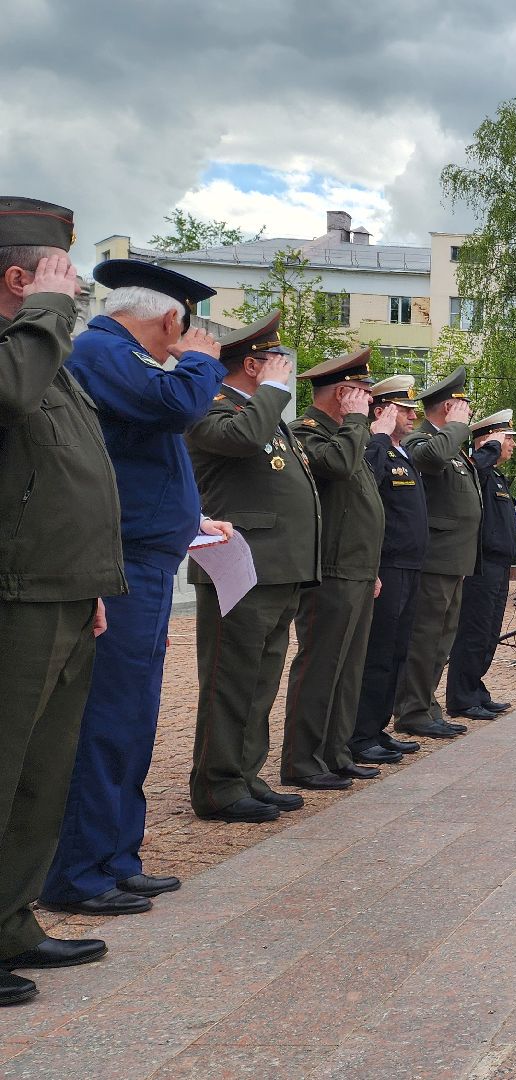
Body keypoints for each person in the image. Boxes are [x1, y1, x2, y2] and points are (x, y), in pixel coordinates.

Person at [43, 258, 226, 918]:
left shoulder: (129, 360)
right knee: (109, 716)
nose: (192, 340)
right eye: (189, 328)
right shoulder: (103, 350)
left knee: (134, 716)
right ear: (171, 319)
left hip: (145, 560)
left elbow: (142, 459)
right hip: (120, 562)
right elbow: (177, 407)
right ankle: (79, 871)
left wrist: (189, 518)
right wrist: (201, 362)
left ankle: (117, 857)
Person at [0, 203, 120, 1004]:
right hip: (15, 595)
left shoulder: (45, 350)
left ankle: (10, 922)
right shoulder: (26, 348)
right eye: (62, 276)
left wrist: (89, 581)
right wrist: (45, 314)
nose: (74, 293)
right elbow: (10, 397)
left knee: (41, 777)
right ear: (21, 278)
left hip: (62, 589)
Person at [186, 313, 323, 823]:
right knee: (230, 680)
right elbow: (243, 440)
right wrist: (272, 390)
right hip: (237, 566)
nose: (286, 369)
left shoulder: (262, 412)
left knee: (260, 680)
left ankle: (245, 774)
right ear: (252, 365)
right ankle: (217, 786)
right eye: (277, 360)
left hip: (277, 567)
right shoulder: (209, 405)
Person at [280, 348, 384, 794]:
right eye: (362, 392)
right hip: (331, 568)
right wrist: (357, 422)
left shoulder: (346, 434)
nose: (369, 401)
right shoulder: (308, 433)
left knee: (348, 668)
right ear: (343, 393)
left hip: (356, 567)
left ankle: (336, 752)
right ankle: (302, 760)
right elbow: (338, 467)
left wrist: (371, 568)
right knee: (321, 665)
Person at [395, 367, 478, 740]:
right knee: (425, 638)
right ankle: (412, 709)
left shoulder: (449, 444)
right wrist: (456, 427)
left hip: (453, 559)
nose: (468, 412)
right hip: (434, 559)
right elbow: (430, 460)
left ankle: (427, 706)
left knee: (441, 639)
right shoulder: (421, 439)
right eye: (462, 406)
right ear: (448, 407)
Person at [348, 376, 427, 766]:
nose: (413, 416)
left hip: (409, 565)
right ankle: (361, 734)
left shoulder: (402, 452)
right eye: (404, 410)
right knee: (378, 653)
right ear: (381, 412)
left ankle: (378, 727)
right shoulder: (373, 447)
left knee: (397, 652)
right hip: (388, 564)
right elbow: (366, 490)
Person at [445, 410, 516, 721]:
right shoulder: (478, 470)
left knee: (488, 633)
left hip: (499, 564)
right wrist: (490, 447)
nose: (512, 444)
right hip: (481, 564)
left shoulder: (496, 476)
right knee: (474, 632)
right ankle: (461, 698)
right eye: (508, 438)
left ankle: (475, 690)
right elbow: (476, 469)